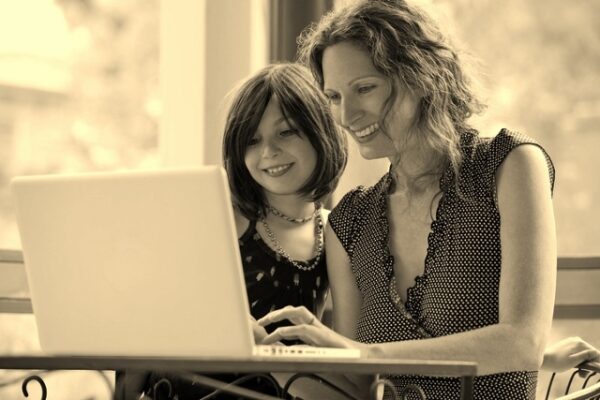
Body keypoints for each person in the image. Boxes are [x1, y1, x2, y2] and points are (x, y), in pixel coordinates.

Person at [256, 0, 558, 398]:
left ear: (421, 75)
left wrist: (367, 354)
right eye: (334, 97)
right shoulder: (349, 223)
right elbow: (355, 390)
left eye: (364, 88)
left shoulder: (508, 165)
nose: (346, 116)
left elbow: (522, 343)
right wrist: (265, 355)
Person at [130, 62, 348, 399]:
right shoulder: (223, 215)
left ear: (321, 131)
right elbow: (148, 321)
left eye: (286, 132)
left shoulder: (336, 231)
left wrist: (259, 346)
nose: (268, 152)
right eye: (252, 140)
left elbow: (349, 371)